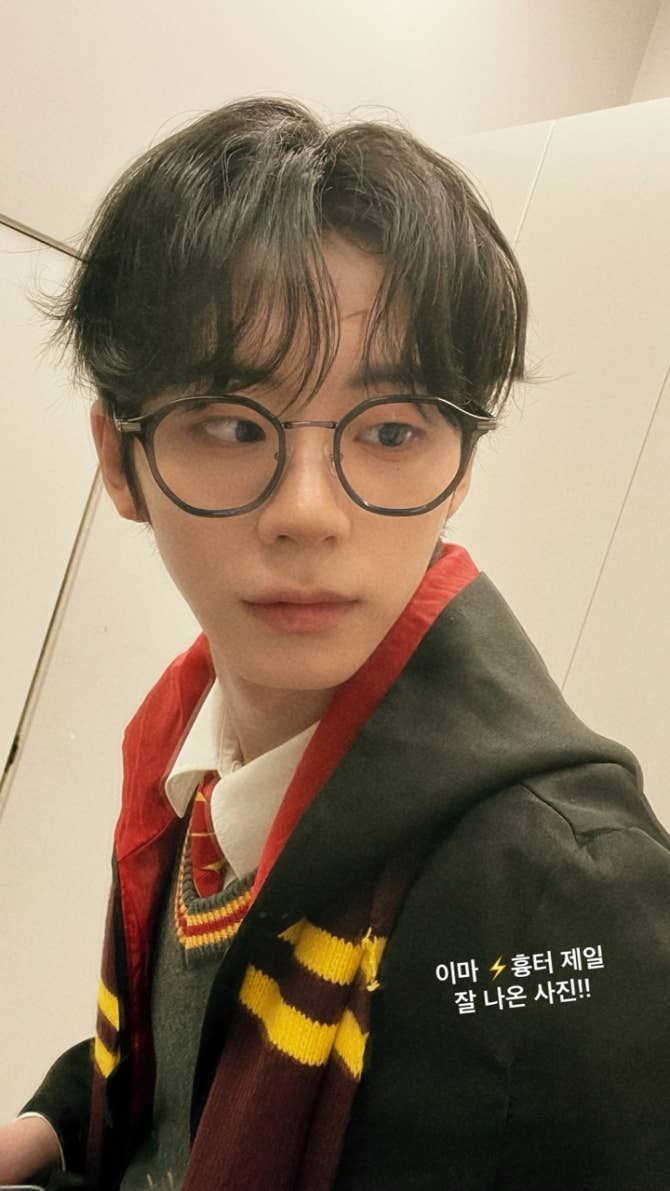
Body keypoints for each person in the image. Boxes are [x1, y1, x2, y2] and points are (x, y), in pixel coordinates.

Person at [1, 95, 669, 1191]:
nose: (309, 512)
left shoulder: (563, 905)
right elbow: (195, 1055)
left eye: (392, 429)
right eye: (230, 422)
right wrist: (58, 1122)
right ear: (120, 461)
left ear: (459, 468)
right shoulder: (188, 754)